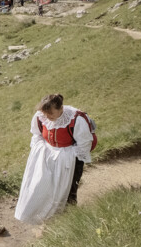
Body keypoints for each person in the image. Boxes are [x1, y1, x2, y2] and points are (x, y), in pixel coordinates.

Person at [14, 94, 93, 224]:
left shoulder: (76, 119)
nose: (47, 116)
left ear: (60, 108)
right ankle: (46, 219)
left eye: (50, 113)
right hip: (46, 156)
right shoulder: (41, 117)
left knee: (69, 190)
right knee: (43, 186)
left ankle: (71, 221)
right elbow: (36, 134)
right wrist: (41, 149)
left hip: (70, 160)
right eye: (45, 113)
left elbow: (84, 143)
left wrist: (67, 155)